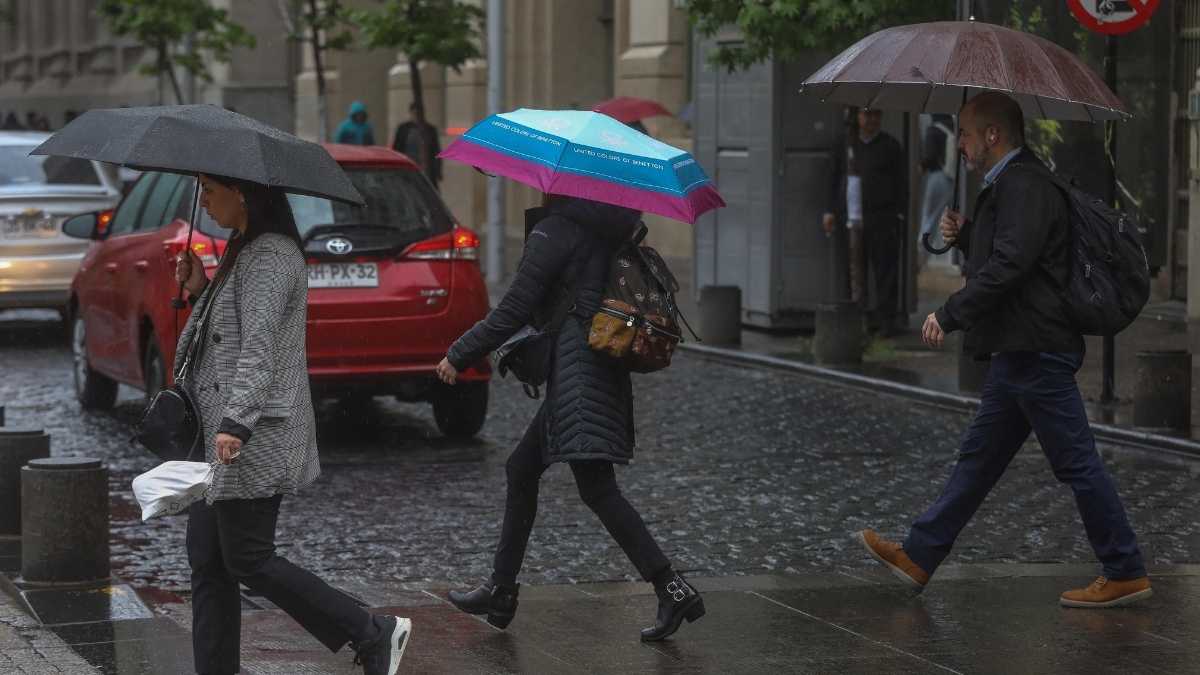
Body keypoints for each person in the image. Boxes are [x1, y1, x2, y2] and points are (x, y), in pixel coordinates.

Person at [857, 92, 1151, 609]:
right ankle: (921, 555)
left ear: (993, 135)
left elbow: (1013, 264)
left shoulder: (1026, 184)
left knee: (1077, 462)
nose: (962, 145)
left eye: (967, 134)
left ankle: (1125, 568)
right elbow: (1017, 254)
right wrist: (967, 234)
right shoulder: (1011, 185)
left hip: (1037, 347)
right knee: (978, 460)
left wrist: (950, 313)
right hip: (1019, 349)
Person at [437, 194, 705, 642]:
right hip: (594, 365)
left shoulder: (556, 230)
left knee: (597, 488)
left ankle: (672, 588)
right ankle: (500, 591)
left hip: (578, 370)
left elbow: (514, 308)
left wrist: (459, 353)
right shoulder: (606, 227)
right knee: (522, 469)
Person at [173, 174, 410, 674]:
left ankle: (371, 632)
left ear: (242, 192)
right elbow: (228, 334)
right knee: (209, 558)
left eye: (210, 190)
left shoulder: (273, 256)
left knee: (248, 558)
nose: (205, 201)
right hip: (224, 426)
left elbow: (258, 346)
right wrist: (200, 290)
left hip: (253, 432)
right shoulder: (244, 246)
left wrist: (236, 423)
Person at [823, 107, 908, 335]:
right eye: (867, 115)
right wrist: (829, 210)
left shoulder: (890, 146)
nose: (871, 120)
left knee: (885, 271)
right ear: (858, 117)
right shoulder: (845, 144)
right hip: (850, 218)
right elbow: (833, 177)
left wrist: (899, 213)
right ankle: (855, 318)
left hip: (882, 217)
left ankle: (886, 322)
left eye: (876, 115)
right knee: (852, 270)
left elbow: (901, 183)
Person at [917, 114, 957, 264]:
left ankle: (921, 252)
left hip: (936, 176)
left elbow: (929, 156)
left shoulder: (933, 130)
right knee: (936, 217)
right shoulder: (953, 128)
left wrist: (920, 167)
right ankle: (926, 253)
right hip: (949, 178)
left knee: (928, 215)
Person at [392, 102, 441, 188]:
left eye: (419, 114)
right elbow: (397, 148)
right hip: (407, 167)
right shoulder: (403, 129)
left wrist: (437, 170)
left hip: (425, 168)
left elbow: (436, 150)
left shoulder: (430, 130)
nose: (417, 116)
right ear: (411, 113)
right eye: (414, 113)